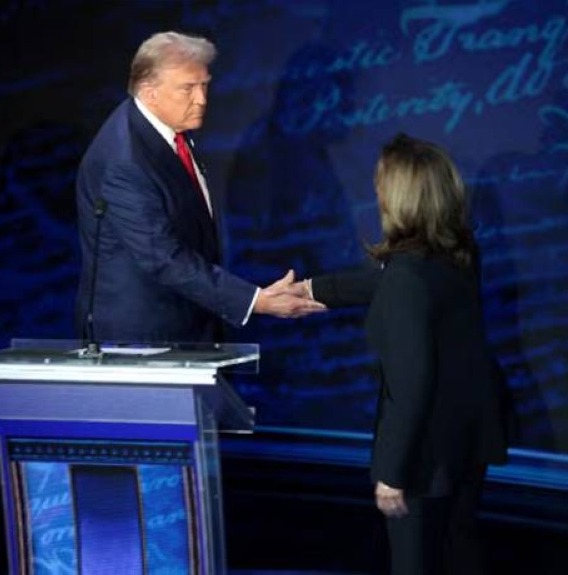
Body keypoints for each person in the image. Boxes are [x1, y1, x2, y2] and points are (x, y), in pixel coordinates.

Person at [304, 134, 509, 574]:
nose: (375, 191)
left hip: (424, 455)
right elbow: (389, 280)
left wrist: (391, 473)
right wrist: (310, 291)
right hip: (465, 439)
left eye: (381, 182)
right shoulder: (456, 255)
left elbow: (411, 384)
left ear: (398, 196)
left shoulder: (405, 281)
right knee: (457, 548)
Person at [74, 31, 324, 343]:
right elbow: (163, 257)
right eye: (188, 89)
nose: (202, 99)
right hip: (143, 342)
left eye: (204, 85)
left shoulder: (166, 129)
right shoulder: (124, 162)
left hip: (187, 324)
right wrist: (253, 300)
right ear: (149, 92)